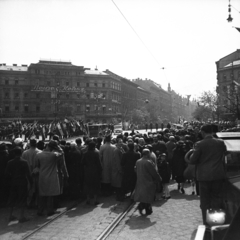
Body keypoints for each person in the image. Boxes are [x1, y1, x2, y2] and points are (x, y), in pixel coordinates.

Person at [186, 124, 227, 226]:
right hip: (218, 175)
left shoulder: (199, 144)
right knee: (217, 199)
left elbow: (192, 160)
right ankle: (217, 222)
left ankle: (206, 222)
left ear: (203, 132)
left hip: (204, 176)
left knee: (205, 201)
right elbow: (225, 154)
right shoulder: (220, 143)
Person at [35, 141, 64, 216]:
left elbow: (37, 165)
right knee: (50, 195)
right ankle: (49, 210)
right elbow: (61, 153)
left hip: (42, 176)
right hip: (52, 175)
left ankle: (40, 210)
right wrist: (57, 147)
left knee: (41, 194)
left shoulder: (38, 154)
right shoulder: (54, 155)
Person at [5, 147, 33, 222]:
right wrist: (31, 183)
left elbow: (7, 174)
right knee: (22, 198)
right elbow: (28, 174)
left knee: (12, 199)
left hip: (13, 182)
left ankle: (10, 215)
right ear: (21, 153)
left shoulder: (10, 162)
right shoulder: (24, 162)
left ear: (14, 154)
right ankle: (21, 216)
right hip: (22, 182)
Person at [134, 149, 161, 215]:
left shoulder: (138, 161)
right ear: (147, 154)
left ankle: (146, 208)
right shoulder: (148, 162)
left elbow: (135, 169)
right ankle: (143, 207)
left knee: (144, 195)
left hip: (141, 180)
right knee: (148, 196)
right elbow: (153, 172)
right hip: (148, 181)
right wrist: (158, 178)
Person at [22, 138, 42, 208]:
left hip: (28, 172)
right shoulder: (40, 152)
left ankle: (29, 203)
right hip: (37, 172)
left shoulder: (25, 153)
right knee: (37, 189)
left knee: (29, 188)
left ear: (30, 144)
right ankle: (37, 203)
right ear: (36, 144)